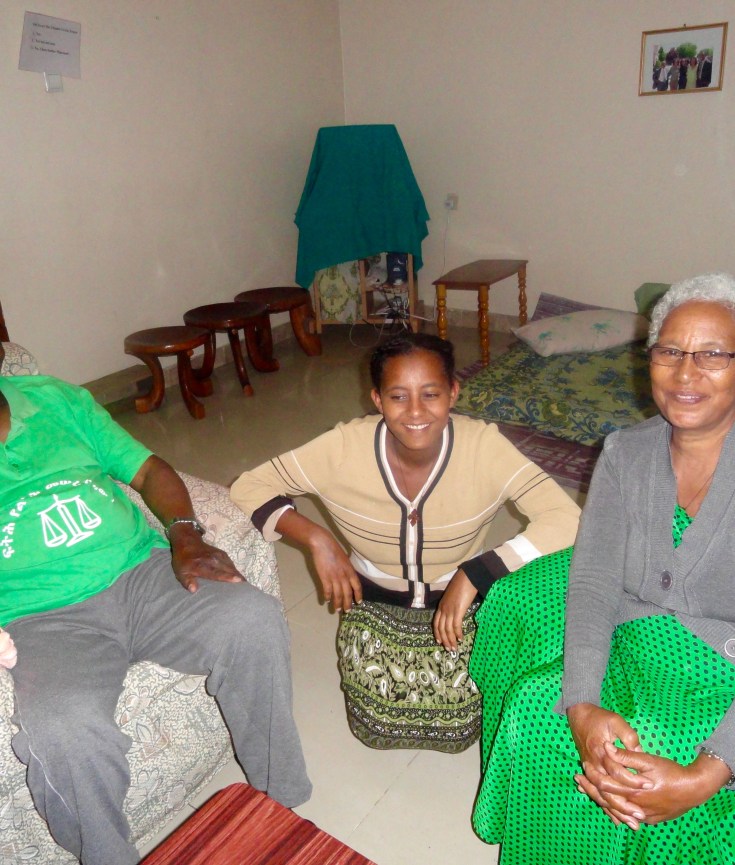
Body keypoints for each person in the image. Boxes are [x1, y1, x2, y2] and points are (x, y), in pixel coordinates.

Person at [0, 345, 311, 865]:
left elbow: (148, 472)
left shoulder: (54, 400)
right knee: (63, 730)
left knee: (251, 620)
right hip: (42, 621)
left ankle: (281, 802)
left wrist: (185, 536)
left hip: (143, 574)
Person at [470, 273, 735, 864]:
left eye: (714, 354)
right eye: (670, 352)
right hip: (638, 632)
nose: (686, 373)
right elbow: (593, 582)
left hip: (722, 663)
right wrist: (582, 704)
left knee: (654, 754)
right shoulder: (626, 452)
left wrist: (710, 771)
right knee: (538, 702)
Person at [230, 332, 580, 752]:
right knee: (375, 729)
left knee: (459, 730)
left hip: (460, 603)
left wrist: (477, 574)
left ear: (453, 393)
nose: (415, 412)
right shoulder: (343, 448)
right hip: (373, 598)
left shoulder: (484, 448)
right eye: (398, 396)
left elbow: (568, 518)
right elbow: (248, 486)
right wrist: (316, 539)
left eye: (431, 394)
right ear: (377, 400)